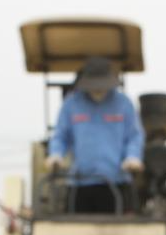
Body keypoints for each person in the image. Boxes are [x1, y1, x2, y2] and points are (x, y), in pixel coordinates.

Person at [45, 56, 144, 213]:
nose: (98, 89)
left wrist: (132, 157)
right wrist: (56, 154)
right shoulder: (72, 104)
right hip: (80, 183)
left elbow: (134, 136)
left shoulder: (123, 104)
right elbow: (61, 136)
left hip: (115, 182)